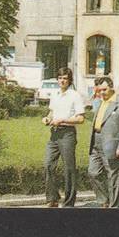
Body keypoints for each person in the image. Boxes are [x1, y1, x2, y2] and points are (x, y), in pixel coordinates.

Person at [42, 67, 85, 208]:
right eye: (60, 78)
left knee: (69, 168)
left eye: (65, 78)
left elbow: (80, 119)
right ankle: (53, 198)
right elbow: (51, 113)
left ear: (69, 80)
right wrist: (47, 119)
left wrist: (62, 120)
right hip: (54, 133)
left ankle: (69, 202)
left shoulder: (75, 95)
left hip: (67, 134)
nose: (62, 81)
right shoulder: (55, 94)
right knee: (48, 164)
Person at [88, 76, 119, 208]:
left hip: (112, 144)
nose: (102, 92)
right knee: (93, 172)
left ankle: (114, 207)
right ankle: (104, 200)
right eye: (100, 90)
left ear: (112, 87)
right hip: (96, 141)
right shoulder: (100, 102)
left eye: (105, 89)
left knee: (113, 176)